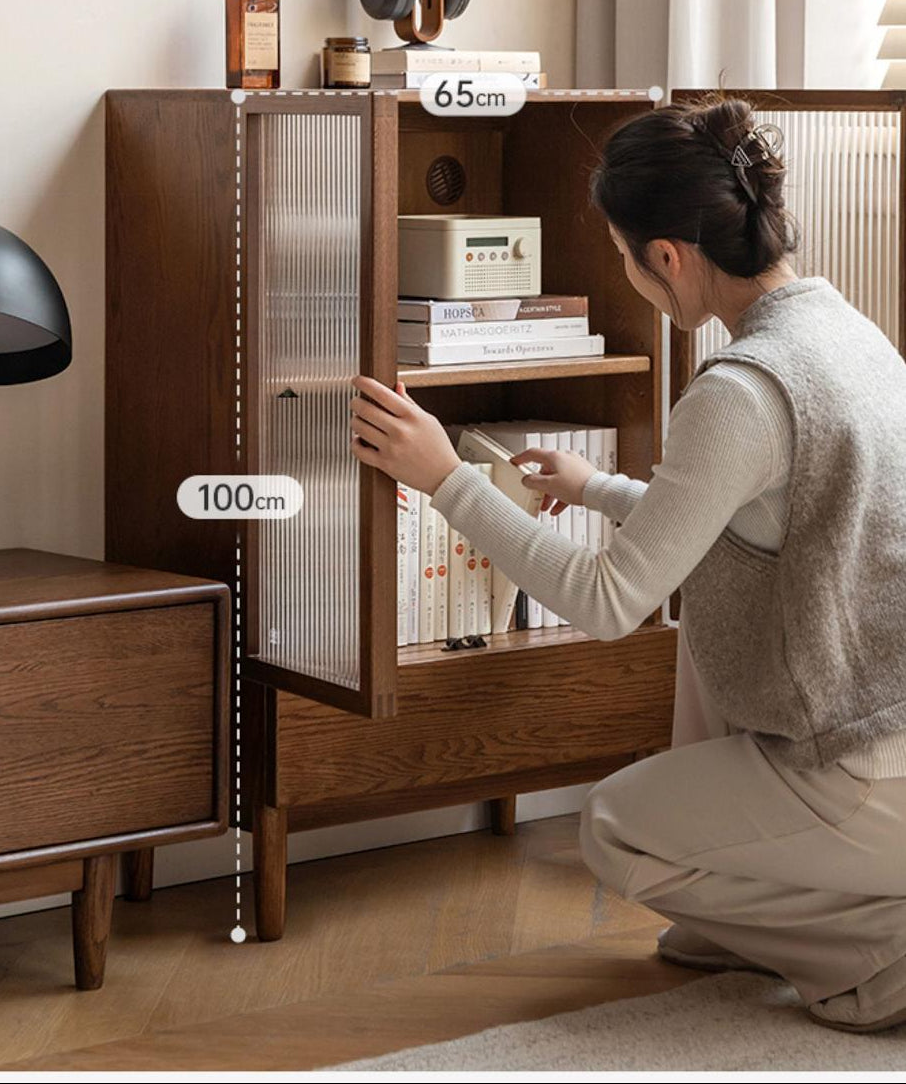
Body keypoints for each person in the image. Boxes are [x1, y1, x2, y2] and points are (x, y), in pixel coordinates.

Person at [350, 96, 906, 1034]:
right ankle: (789, 909)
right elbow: (762, 520)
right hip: (890, 722)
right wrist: (601, 486)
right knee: (702, 658)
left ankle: (876, 958)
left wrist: (446, 477)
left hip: (862, 768)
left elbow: (610, 601)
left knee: (612, 829)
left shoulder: (739, 390)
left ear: (667, 258)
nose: (627, 275)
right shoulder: (848, 334)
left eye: (621, 255)